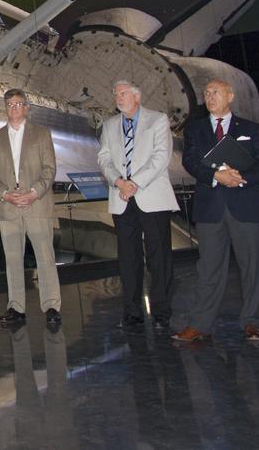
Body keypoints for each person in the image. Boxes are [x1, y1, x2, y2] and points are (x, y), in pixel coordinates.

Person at [172, 79, 259, 343]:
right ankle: (200, 325)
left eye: (215, 92)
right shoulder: (194, 130)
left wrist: (241, 178)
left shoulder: (251, 129)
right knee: (208, 269)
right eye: (206, 93)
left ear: (230, 96)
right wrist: (217, 176)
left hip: (246, 206)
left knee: (251, 267)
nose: (209, 96)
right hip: (210, 209)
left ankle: (251, 322)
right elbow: (191, 161)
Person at [97, 79, 179, 330]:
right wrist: (119, 182)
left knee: (159, 257)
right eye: (115, 94)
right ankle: (132, 312)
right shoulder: (109, 125)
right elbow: (104, 158)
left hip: (151, 197)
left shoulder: (158, 119)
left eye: (123, 94)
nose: (118, 98)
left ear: (137, 97)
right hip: (122, 199)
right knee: (128, 258)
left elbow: (161, 156)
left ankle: (162, 311)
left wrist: (134, 183)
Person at [0, 89, 61, 329]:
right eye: (10, 104)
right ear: (5, 108)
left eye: (19, 104)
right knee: (13, 259)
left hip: (36, 204)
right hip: (9, 208)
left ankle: (51, 306)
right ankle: (16, 307)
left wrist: (33, 193)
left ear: (27, 107)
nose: (14, 108)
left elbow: (49, 169)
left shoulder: (41, 134)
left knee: (45, 258)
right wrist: (5, 194)